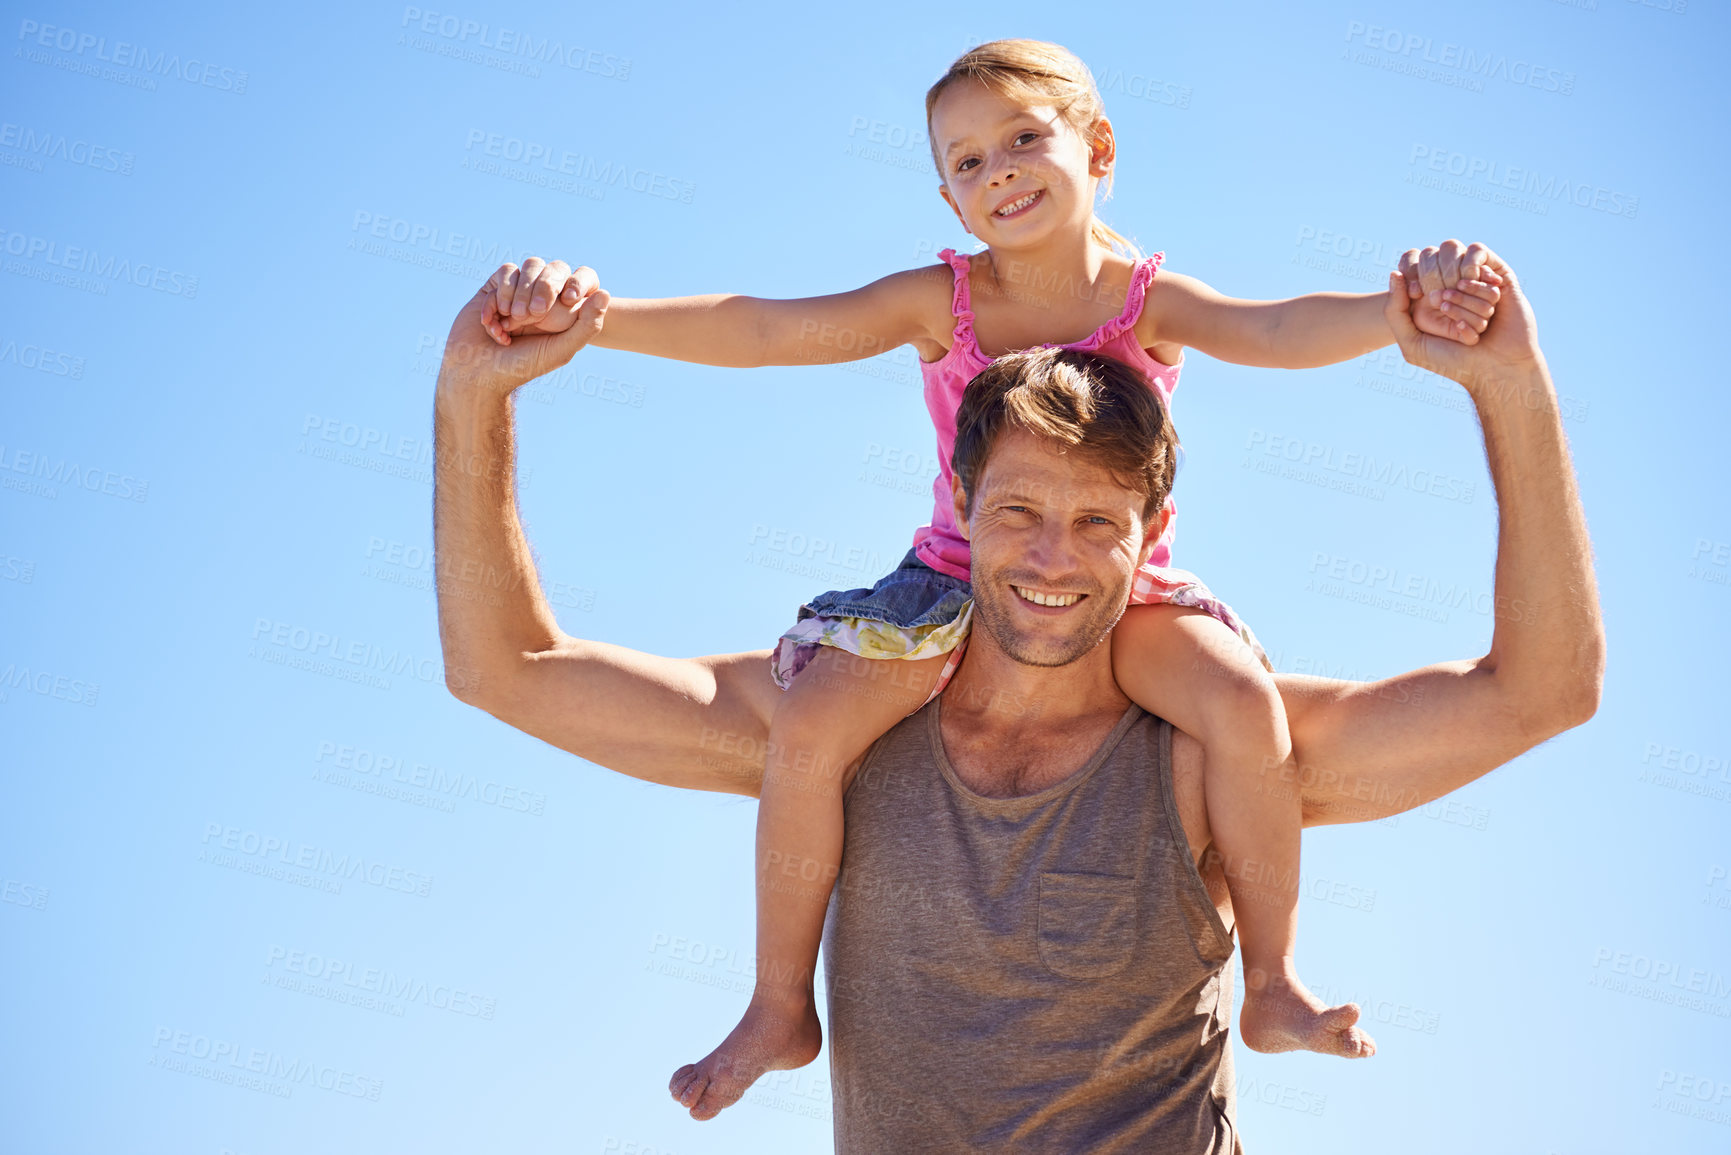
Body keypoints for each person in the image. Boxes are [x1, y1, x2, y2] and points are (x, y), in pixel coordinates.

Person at [471, 37, 1508, 1112]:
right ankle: (780, 1004)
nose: (997, 171)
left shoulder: (1145, 298)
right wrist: (598, 323)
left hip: (1116, 590)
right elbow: (771, 328)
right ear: (948, 197)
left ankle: (1275, 981)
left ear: (1097, 148)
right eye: (965, 163)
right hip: (947, 587)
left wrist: (1396, 317)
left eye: (1022, 138)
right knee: (813, 723)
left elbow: (1276, 328)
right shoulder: (943, 300)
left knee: (1243, 702)